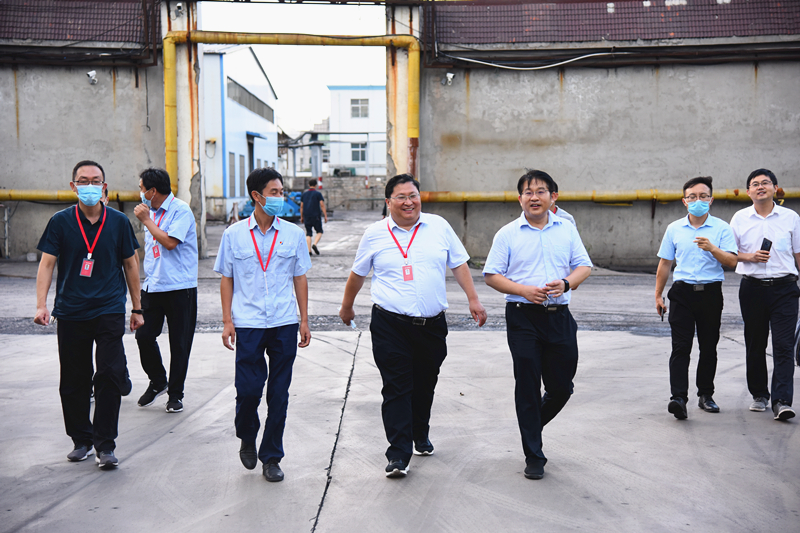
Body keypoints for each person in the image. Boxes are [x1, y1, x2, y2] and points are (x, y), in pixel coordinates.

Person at [339, 173, 487, 478]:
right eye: (402, 197)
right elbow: (358, 273)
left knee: (424, 383)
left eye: (413, 196)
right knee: (396, 387)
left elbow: (459, 264)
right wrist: (347, 305)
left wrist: (473, 299)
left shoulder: (439, 226)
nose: (409, 202)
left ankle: (420, 432)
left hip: (432, 325)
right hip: (390, 324)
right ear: (388, 202)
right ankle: (398, 453)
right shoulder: (375, 234)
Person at [483, 169, 592, 480]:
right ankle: (534, 454)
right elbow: (491, 275)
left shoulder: (566, 229)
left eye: (541, 191)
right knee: (528, 384)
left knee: (561, 387)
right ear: (520, 199)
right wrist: (523, 290)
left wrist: (566, 283)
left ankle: (530, 425)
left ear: (552, 197)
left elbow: (584, 266)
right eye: (528, 192)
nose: (534, 197)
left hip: (559, 316)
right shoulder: (507, 234)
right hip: (522, 317)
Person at [34, 160, 143, 469]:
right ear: (73, 186)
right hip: (71, 310)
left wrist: (137, 308)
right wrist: (41, 305)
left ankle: (105, 445)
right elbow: (47, 263)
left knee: (109, 374)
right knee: (74, 378)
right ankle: (81, 439)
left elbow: (131, 264)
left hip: (109, 309)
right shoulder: (60, 221)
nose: (90, 185)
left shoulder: (118, 222)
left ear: (104, 186)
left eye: (96, 180)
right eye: (83, 181)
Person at [214, 168, 312, 482]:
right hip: (249, 323)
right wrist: (227, 321)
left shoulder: (293, 234)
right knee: (248, 391)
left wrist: (304, 320)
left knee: (279, 395)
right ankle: (247, 435)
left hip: (284, 322)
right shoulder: (234, 235)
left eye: (281, 192)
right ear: (257, 196)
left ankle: (271, 457)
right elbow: (227, 279)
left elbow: (300, 277)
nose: (280, 197)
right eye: (274, 192)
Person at [655, 177, 738, 420]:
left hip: (710, 293)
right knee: (681, 347)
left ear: (710, 200)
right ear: (684, 201)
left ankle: (706, 395)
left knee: (708, 346)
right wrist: (658, 295)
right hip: (682, 293)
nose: (697, 200)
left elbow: (732, 261)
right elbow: (665, 263)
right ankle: (678, 398)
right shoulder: (674, 228)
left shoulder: (721, 228)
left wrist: (713, 248)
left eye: (703, 196)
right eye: (692, 197)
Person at [729, 169, 800, 421]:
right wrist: (750, 257)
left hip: (785, 289)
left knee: (784, 345)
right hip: (753, 289)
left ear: (775, 188)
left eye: (765, 183)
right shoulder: (739, 218)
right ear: (748, 191)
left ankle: (782, 401)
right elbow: (729, 254)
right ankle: (759, 394)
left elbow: (798, 254)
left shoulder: (791, 217)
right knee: (755, 343)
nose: (760, 187)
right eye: (755, 184)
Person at [133, 168, 198, 414]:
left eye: (142, 188)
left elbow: (170, 242)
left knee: (179, 343)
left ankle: (175, 394)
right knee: (144, 336)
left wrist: (147, 221)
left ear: (152, 191)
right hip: (154, 285)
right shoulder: (150, 212)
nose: (140, 193)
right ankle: (159, 381)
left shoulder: (180, 210)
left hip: (180, 287)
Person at [300, 179, 327, 255]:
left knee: (308, 233)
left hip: (307, 215)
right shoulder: (318, 194)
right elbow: (322, 205)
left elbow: (301, 206)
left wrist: (301, 217)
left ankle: (309, 251)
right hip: (316, 216)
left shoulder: (304, 194)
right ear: (316, 185)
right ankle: (314, 244)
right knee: (319, 231)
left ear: (309, 185)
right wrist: (325, 215)